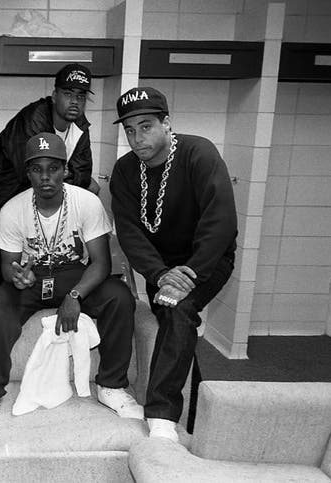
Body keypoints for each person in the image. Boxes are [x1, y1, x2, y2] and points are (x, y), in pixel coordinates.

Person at [0, 133, 140, 436]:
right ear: (27, 173)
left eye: (53, 168)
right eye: (37, 169)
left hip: (73, 273)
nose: (45, 177)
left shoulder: (87, 202)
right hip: (32, 277)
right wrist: (17, 276)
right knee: (0, 312)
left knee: (119, 297)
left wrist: (75, 296)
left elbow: (101, 263)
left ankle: (111, 386)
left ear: (65, 170)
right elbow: (7, 265)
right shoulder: (13, 209)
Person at [109, 87, 237, 442]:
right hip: (161, 268)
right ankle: (193, 414)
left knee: (179, 310)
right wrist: (161, 274)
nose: (137, 138)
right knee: (173, 321)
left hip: (208, 260)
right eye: (130, 130)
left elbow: (221, 221)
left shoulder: (199, 153)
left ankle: (162, 417)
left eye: (146, 126)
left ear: (166, 124)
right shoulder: (125, 170)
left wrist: (189, 275)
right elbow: (130, 233)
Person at [0, 64, 100, 298]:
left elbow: (83, 173)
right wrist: (66, 173)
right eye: (68, 94)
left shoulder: (79, 125)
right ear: (54, 95)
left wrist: (70, 176)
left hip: (31, 197)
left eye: (81, 96)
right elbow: (33, 171)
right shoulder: (34, 118)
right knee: (0, 266)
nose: (74, 102)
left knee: (37, 264)